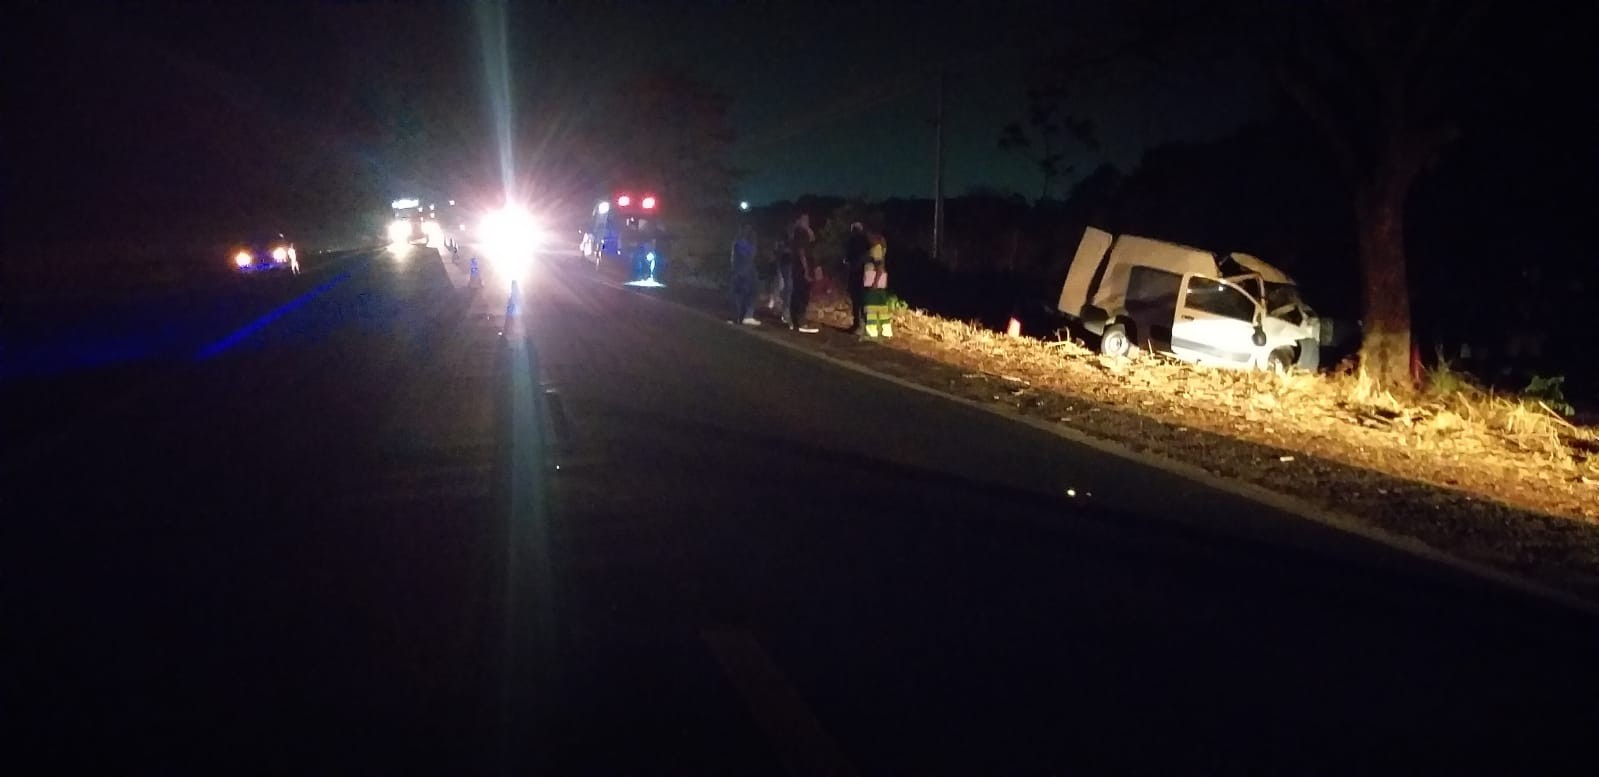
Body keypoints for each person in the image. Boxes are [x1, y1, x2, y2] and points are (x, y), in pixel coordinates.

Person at [785, 213, 819, 332]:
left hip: (799, 268)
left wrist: (809, 231)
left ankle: (795, 321)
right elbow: (802, 252)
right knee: (801, 294)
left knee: (798, 294)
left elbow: (812, 241)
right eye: (804, 219)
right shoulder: (800, 233)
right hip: (801, 269)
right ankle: (800, 322)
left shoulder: (800, 233)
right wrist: (806, 270)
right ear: (799, 220)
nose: (807, 221)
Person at [862, 232, 892, 337]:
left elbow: (878, 266)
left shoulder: (876, 249)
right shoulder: (880, 249)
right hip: (879, 282)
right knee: (882, 307)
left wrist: (874, 282)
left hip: (873, 282)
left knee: (871, 308)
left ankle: (872, 330)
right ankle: (886, 330)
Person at [842, 222, 870, 333]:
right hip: (862, 271)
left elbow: (847, 257)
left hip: (855, 271)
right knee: (861, 298)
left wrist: (848, 263)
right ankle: (865, 323)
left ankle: (857, 323)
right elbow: (867, 254)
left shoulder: (852, 240)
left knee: (856, 298)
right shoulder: (864, 240)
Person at [730, 224, 760, 325]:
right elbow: (750, 255)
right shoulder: (743, 243)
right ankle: (747, 316)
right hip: (745, 270)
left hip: (740, 270)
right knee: (750, 292)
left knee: (741, 293)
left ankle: (740, 316)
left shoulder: (737, 242)